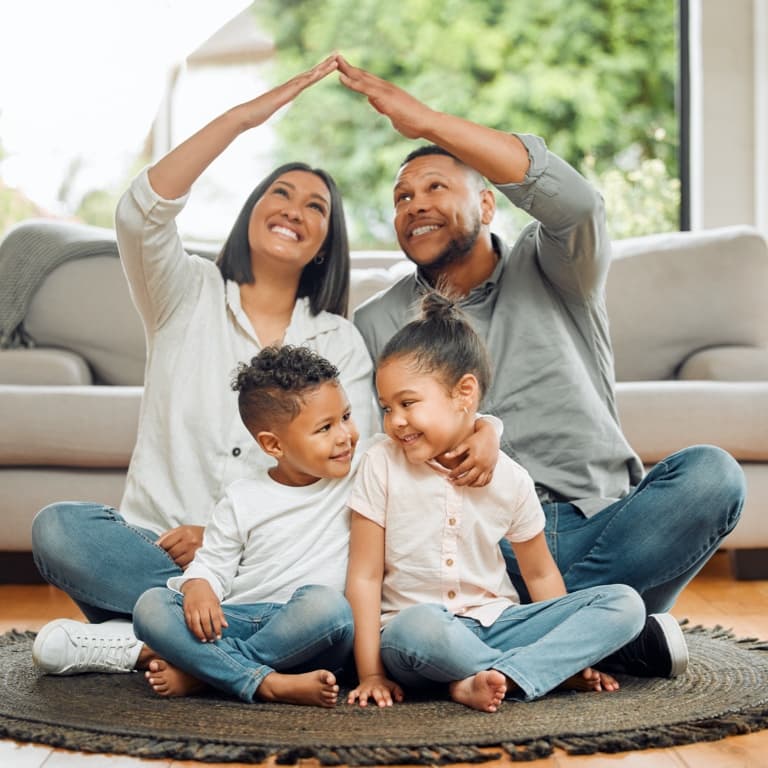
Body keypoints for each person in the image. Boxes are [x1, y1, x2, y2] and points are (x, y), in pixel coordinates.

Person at [337, 55, 745, 676]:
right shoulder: (376, 321)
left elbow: (576, 203)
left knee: (713, 476)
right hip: (469, 552)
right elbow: (378, 450)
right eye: (401, 197)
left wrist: (426, 123)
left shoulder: (555, 266)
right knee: (429, 611)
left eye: (435, 187)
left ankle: (536, 630)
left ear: (488, 204)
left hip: (597, 523)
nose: (414, 203)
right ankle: (596, 632)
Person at [30, 56, 378, 676]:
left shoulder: (339, 341)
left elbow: (354, 462)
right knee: (60, 529)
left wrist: (225, 536)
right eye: (281, 193)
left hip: (280, 569)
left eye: (316, 207)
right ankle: (228, 642)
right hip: (163, 558)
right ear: (251, 211)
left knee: (326, 606)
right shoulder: (183, 295)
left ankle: (154, 645)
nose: (295, 209)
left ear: (327, 244)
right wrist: (246, 118)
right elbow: (140, 213)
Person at [345, 292, 648, 713]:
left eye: (408, 403)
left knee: (624, 604)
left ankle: (482, 678)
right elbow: (363, 576)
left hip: (499, 624)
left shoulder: (511, 478)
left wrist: (553, 626)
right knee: (419, 627)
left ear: (463, 392)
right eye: (386, 407)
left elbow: (540, 575)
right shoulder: (381, 464)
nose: (395, 420)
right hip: (415, 635)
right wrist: (371, 673)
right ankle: (537, 673)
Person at [132, 345, 359, 706]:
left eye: (346, 416)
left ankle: (206, 675)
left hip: (318, 634)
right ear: (273, 444)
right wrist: (199, 588)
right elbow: (213, 563)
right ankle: (265, 681)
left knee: (328, 605)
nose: (345, 435)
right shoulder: (243, 497)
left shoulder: (365, 472)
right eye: (325, 428)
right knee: (151, 605)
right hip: (244, 617)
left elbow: (435, 439)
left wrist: (486, 431)